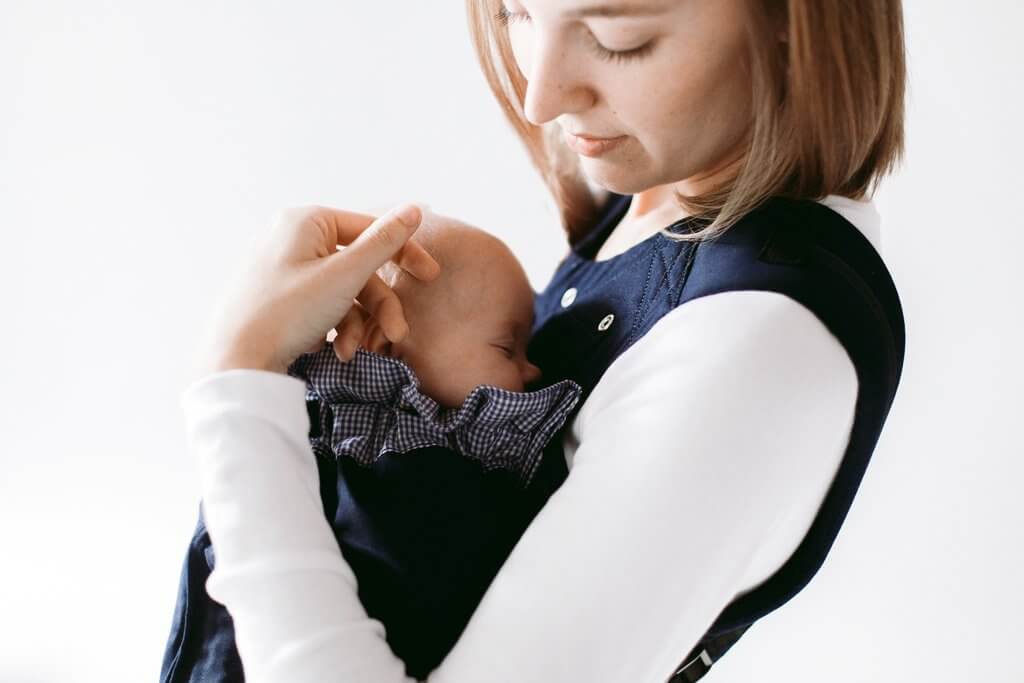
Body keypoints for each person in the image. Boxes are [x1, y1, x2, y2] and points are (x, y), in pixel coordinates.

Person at [163, 1, 907, 681]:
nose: (539, 96)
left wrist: (241, 382)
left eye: (622, 39)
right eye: (517, 9)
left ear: (790, 19)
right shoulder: (653, 195)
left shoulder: (756, 342)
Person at [160, 211, 584, 681]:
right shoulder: (320, 442)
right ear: (385, 348)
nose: (533, 372)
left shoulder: (487, 454)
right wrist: (244, 357)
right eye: (508, 348)